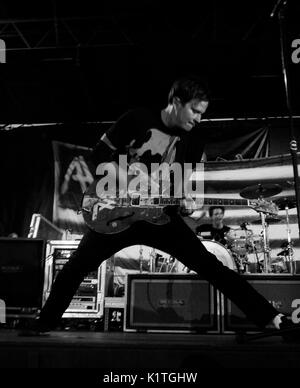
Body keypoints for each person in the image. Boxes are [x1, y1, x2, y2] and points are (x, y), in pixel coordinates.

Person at [26, 75, 299, 341]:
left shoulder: (194, 142)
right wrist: (132, 180)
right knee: (75, 267)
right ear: (176, 101)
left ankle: (273, 320)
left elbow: (178, 189)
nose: (198, 118)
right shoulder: (136, 120)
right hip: (115, 211)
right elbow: (98, 156)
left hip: (159, 218)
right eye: (194, 110)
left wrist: (184, 204)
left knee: (212, 267)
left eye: (202, 114)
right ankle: (44, 322)